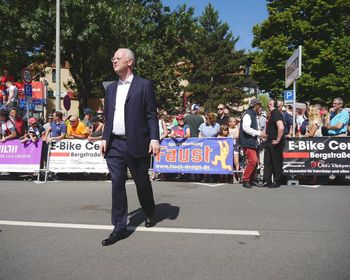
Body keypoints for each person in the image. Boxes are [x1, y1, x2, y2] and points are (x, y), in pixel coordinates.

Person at [99, 48, 160, 246]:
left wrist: (154, 138)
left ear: (130, 61)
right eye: (113, 58)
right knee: (116, 183)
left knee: (142, 182)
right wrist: (104, 138)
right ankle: (119, 227)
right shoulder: (110, 89)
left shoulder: (144, 85)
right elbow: (108, 117)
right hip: (114, 144)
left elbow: (151, 114)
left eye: (118, 58)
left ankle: (150, 211)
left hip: (136, 142)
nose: (114, 61)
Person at [238, 98, 267, 188]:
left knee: (255, 161)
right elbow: (246, 128)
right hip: (248, 142)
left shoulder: (252, 114)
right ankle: (245, 179)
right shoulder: (248, 114)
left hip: (252, 141)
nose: (260, 108)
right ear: (255, 106)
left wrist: (259, 136)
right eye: (259, 105)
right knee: (253, 161)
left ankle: (251, 179)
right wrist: (259, 133)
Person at [262, 99, 285, 188]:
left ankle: (277, 181)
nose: (267, 105)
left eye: (269, 103)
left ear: (271, 104)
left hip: (274, 142)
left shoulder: (276, 113)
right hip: (269, 141)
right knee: (268, 162)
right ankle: (267, 181)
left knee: (276, 163)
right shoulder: (272, 114)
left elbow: (281, 127)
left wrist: (278, 140)